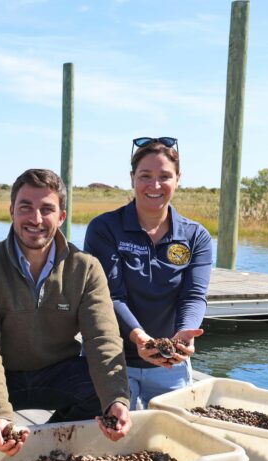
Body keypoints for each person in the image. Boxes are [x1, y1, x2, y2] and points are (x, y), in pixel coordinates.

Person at [0, 168, 132, 455]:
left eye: (47, 209)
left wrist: (117, 400)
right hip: (2, 371)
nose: (35, 219)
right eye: (26, 207)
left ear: (61, 217)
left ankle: (46, 450)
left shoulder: (84, 267)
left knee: (107, 396)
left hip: (58, 371)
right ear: (12, 210)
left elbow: (102, 340)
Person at [84, 136, 213, 409]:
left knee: (172, 438)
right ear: (132, 178)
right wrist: (140, 337)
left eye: (165, 176)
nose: (154, 185)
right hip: (113, 359)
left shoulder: (195, 236)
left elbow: (194, 295)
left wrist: (185, 333)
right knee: (114, 439)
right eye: (145, 175)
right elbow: (111, 296)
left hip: (170, 363)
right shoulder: (105, 228)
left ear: (178, 179)